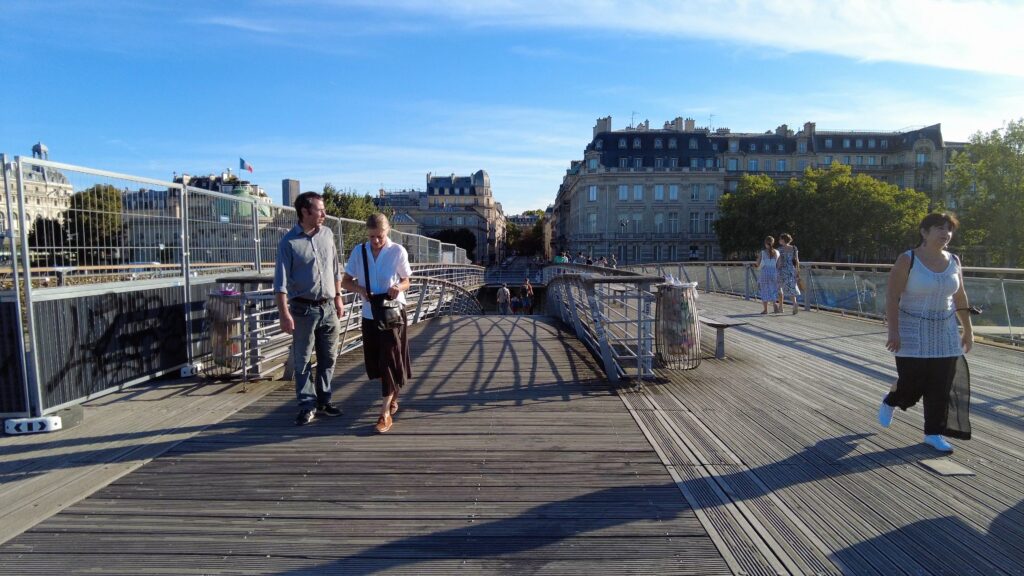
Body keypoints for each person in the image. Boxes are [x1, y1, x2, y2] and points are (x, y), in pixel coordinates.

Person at [881, 212, 975, 453]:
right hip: (911, 328)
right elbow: (892, 297)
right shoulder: (908, 259)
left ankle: (933, 433)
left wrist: (967, 330)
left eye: (949, 229)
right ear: (924, 232)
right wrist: (894, 331)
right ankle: (892, 398)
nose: (946, 233)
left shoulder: (954, 259)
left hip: (944, 330)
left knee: (941, 383)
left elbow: (960, 296)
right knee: (912, 380)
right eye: (939, 228)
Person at [274, 192, 346, 426]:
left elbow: (335, 268)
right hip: (303, 309)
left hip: (328, 306)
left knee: (329, 357)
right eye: (319, 210)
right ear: (305, 212)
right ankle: (307, 404)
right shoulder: (288, 243)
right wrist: (284, 314)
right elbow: (280, 282)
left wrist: (338, 298)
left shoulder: (327, 234)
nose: (324, 214)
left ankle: (324, 401)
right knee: (303, 359)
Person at [341, 213, 413, 434]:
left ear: (387, 231)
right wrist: (360, 289)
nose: (375, 241)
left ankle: (384, 413)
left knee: (388, 361)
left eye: (379, 236)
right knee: (374, 363)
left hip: (392, 314)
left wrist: (397, 288)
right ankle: (394, 391)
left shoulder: (397, 251)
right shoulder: (359, 251)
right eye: (372, 236)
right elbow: (345, 281)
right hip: (370, 314)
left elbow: (407, 280)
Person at [776, 233, 801, 315]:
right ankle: (794, 303)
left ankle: (781, 307)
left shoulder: (780, 249)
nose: (779, 240)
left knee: (780, 288)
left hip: (782, 270)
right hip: (791, 270)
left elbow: (779, 262)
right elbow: (797, 260)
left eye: (780, 239)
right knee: (791, 287)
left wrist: (777, 268)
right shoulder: (794, 248)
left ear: (783, 240)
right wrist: (797, 270)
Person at [755, 236, 781, 314]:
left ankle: (765, 310)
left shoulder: (763, 252)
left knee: (764, 290)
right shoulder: (777, 252)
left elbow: (758, 263)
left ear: (765, 243)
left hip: (765, 272)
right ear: (773, 242)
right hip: (774, 272)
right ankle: (775, 304)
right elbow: (779, 264)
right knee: (773, 289)